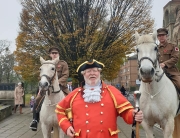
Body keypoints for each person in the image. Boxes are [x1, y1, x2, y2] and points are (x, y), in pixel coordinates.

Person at [55, 59, 143, 138]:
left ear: (99, 73)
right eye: (88, 71)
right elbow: (59, 110)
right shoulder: (75, 94)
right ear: (83, 74)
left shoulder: (112, 91)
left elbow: (127, 113)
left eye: (95, 71)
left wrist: (134, 115)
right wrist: (66, 126)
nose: (92, 73)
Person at [29, 47, 70, 131]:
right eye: (52, 53)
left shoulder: (63, 64)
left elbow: (65, 75)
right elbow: (42, 75)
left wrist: (57, 83)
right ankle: (35, 120)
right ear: (50, 54)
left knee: (72, 100)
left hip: (61, 87)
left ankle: (73, 121)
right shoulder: (46, 64)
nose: (54, 54)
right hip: (47, 87)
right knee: (37, 99)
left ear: (58, 54)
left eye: (56, 53)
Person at [157, 28, 180, 94]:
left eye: (163, 35)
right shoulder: (155, 48)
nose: (161, 37)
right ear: (157, 37)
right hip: (158, 73)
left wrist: (164, 64)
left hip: (171, 72)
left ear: (166, 36)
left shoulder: (173, 46)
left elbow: (175, 58)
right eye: (159, 36)